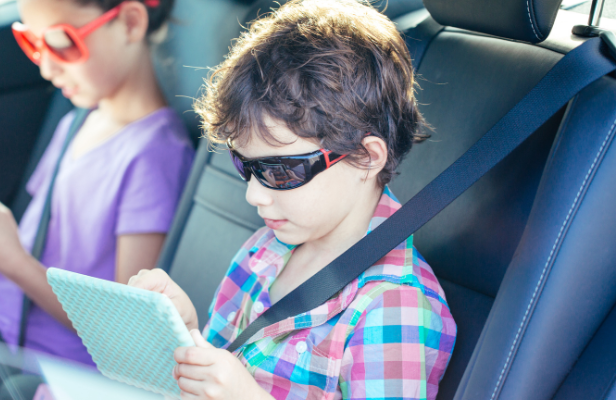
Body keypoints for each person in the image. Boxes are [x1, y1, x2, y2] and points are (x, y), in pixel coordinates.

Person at [128, 0, 457, 399]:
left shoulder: (394, 307)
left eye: (280, 172)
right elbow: (224, 371)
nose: (253, 195)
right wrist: (184, 335)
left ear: (366, 158)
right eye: (245, 166)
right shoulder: (264, 252)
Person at [0, 0, 193, 367]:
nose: (47, 67)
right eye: (32, 44)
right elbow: (37, 251)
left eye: (60, 43)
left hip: (40, 367)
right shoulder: (77, 122)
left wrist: (12, 260)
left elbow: (128, 328)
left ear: (131, 23)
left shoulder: (154, 156)